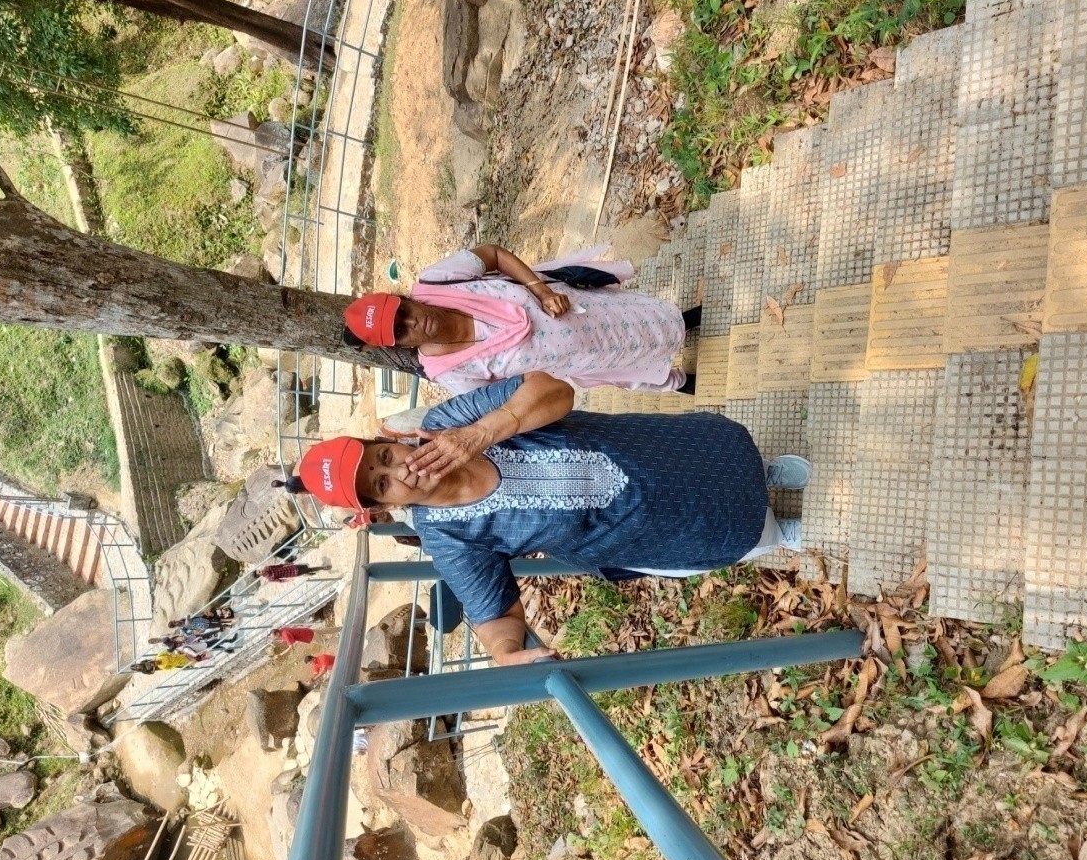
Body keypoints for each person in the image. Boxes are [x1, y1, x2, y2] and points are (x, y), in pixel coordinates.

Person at [289, 371, 811, 666]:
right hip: (633, 529)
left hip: (641, 446)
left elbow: (553, 390)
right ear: (382, 506)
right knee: (723, 528)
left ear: (389, 442)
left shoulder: (448, 422)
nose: (401, 469)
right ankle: (777, 531)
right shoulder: (446, 536)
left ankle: (762, 470)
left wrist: (481, 432)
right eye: (382, 483)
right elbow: (495, 616)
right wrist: (507, 654)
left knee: (710, 455)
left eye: (384, 456)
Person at [342, 244, 702, 395]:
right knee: (631, 370)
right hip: (580, 358)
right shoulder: (448, 372)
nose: (413, 323)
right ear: (401, 345)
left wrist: (540, 291)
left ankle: (684, 323)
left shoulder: (437, 281)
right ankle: (684, 382)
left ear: (404, 299)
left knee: (639, 317)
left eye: (404, 313)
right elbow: (504, 395)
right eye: (401, 331)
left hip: (581, 308)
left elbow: (493, 254)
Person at [256, 562, 332, 583]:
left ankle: (306, 573)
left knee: (305, 566)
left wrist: (288, 563)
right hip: (293, 573)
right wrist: (289, 580)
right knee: (310, 569)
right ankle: (323, 568)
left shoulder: (267, 567)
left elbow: (279, 565)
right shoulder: (270, 578)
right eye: (259, 572)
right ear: (260, 575)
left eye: (259, 570)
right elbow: (280, 581)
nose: (261, 570)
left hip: (292, 567)